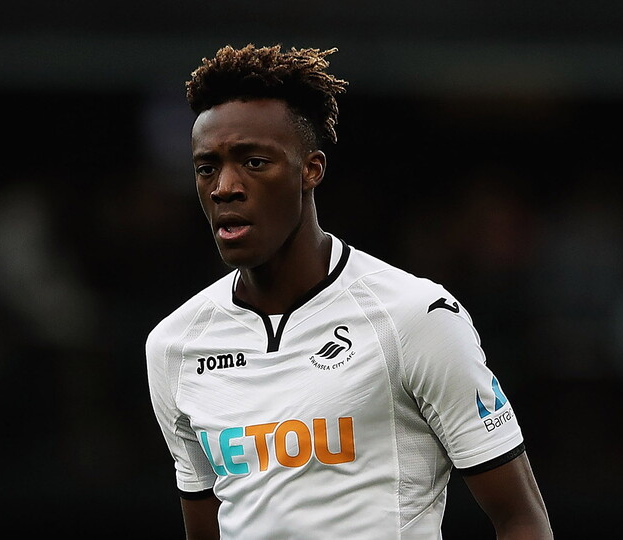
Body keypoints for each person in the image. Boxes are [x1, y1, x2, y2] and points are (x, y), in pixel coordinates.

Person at [146, 43, 553, 539]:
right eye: (207, 167)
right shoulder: (175, 345)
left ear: (310, 169)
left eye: (254, 162)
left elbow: (520, 518)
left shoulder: (414, 317)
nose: (224, 187)